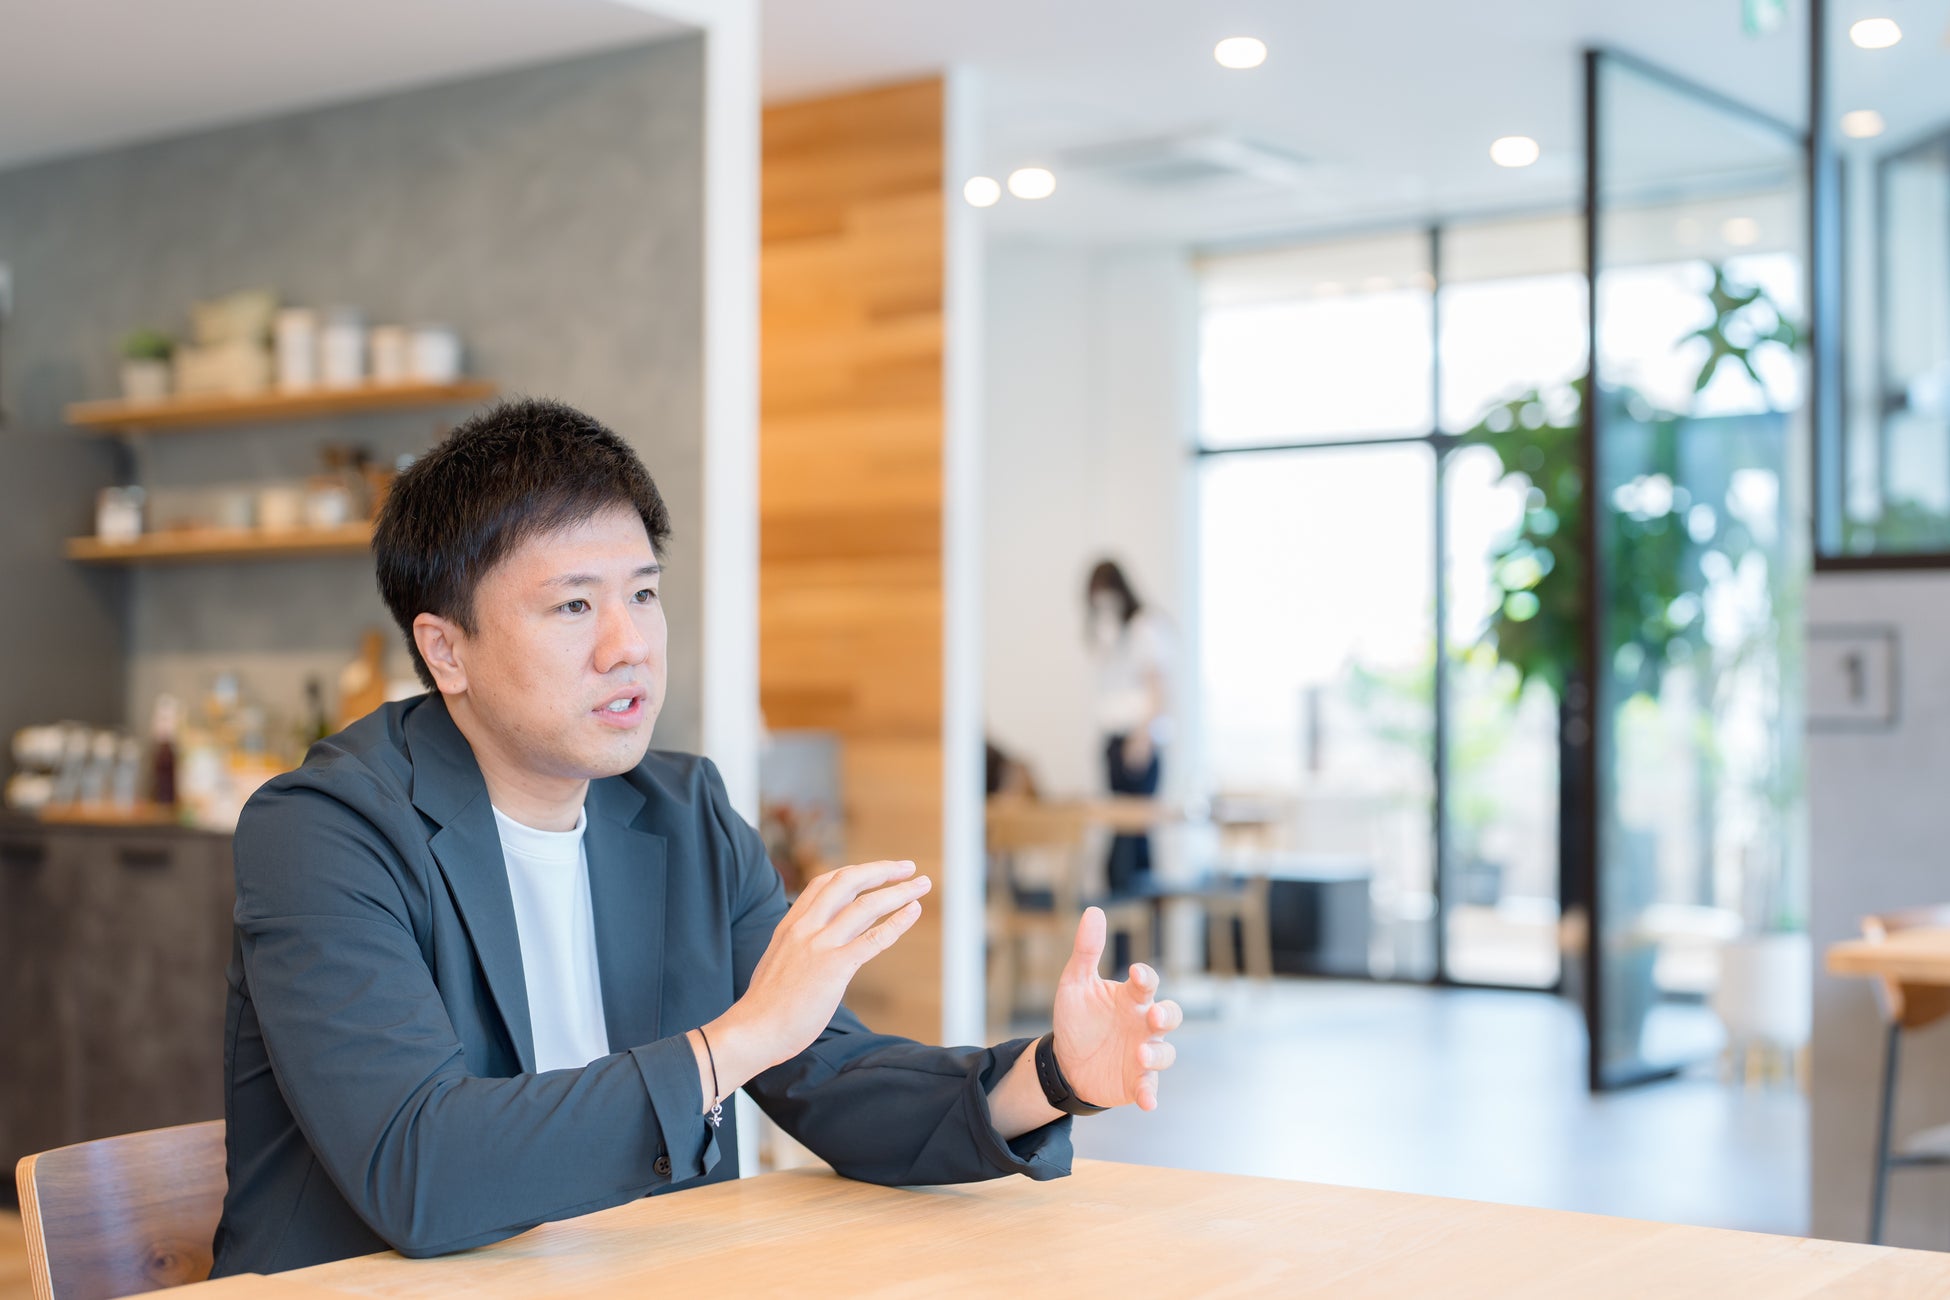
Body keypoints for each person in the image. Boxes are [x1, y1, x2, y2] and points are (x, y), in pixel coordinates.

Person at [210, 400, 1182, 1275]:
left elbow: (830, 1077)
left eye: (643, 593)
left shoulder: (684, 814)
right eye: (574, 605)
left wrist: (1051, 1075)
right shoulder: (325, 832)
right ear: (445, 649)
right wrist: (735, 1042)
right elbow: (420, 1168)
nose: (628, 644)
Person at [1085, 559, 1173, 898]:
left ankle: (1136, 920)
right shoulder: (1111, 632)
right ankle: (1120, 920)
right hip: (1114, 739)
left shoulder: (1144, 627)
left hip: (1138, 740)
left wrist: (1143, 737)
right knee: (1119, 831)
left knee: (1134, 835)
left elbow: (1156, 685)